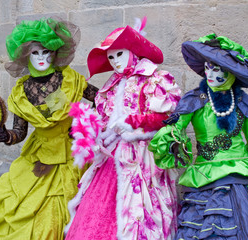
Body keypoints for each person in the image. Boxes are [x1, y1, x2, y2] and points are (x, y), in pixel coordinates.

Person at [149, 34, 248, 240]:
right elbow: (178, 127)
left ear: (230, 73)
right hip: (206, 173)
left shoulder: (241, 101)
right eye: (208, 67)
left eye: (217, 68)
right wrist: (174, 142)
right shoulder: (196, 99)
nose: (209, 73)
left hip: (243, 171)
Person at [0, 18, 98, 239]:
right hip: (39, 156)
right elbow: (20, 131)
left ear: (54, 54)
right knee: (15, 200)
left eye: (45, 52)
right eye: (35, 53)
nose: (41, 58)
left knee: (67, 210)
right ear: (26, 56)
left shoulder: (71, 80)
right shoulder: (22, 91)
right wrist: (6, 135)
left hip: (71, 156)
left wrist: (84, 125)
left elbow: (103, 100)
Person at [64, 18, 181, 240]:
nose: (115, 61)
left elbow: (165, 117)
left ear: (132, 51)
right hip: (113, 155)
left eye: (119, 54)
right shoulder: (112, 84)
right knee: (96, 210)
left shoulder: (154, 79)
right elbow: (105, 119)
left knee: (140, 211)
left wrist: (132, 123)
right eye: (111, 57)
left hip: (143, 155)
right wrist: (96, 134)